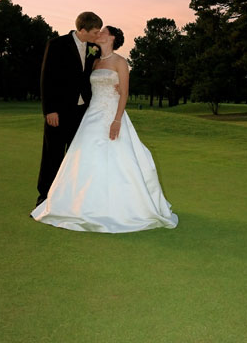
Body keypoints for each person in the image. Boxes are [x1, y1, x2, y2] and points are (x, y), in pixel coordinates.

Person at [31, 25, 178, 233]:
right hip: (91, 115)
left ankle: (121, 206)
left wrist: (117, 120)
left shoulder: (120, 62)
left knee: (118, 159)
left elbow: (124, 93)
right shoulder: (94, 60)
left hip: (112, 115)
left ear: (112, 38)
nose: (98, 34)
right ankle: (79, 205)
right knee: (84, 158)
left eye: (103, 32)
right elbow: (80, 84)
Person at [35, 11, 103, 207]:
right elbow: (47, 78)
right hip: (58, 111)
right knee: (52, 155)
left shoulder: (94, 48)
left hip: (82, 113)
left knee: (76, 156)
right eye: (95, 32)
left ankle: (71, 198)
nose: (98, 35)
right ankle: (44, 197)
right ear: (82, 30)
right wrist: (50, 110)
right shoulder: (56, 44)